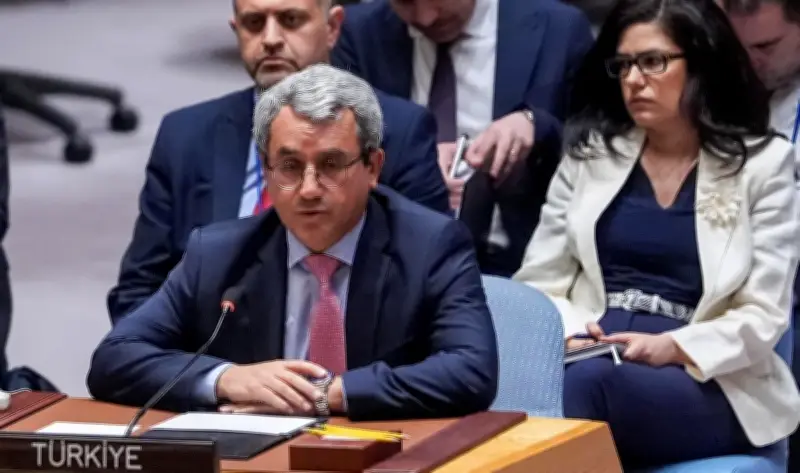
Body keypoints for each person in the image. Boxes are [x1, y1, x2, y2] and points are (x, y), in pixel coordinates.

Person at [87, 64, 499, 420]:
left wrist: (326, 395)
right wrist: (227, 378)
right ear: (266, 170)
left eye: (331, 164)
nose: (308, 189)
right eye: (289, 166)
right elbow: (116, 357)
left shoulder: (430, 246)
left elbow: (471, 370)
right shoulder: (218, 255)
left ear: (373, 167)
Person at [513, 0, 800, 468]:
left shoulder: (764, 165)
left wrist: (674, 346)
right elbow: (539, 282)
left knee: (586, 387)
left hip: (707, 377)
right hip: (592, 352)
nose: (633, 79)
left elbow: (763, 313)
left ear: (701, 64)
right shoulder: (591, 157)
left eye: (653, 61)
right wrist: (570, 334)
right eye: (624, 65)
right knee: (525, 380)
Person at [106, 0, 450, 324]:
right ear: (236, 30)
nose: (270, 39)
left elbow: (437, 286)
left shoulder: (399, 131)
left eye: (290, 20)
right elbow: (137, 293)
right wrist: (201, 368)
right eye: (254, 23)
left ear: (333, 27)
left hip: (354, 353)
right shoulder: (186, 136)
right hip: (217, 357)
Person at [330, 0, 594, 276]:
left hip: (524, 260)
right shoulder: (357, 33)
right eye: (405, 2)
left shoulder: (559, 29)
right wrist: (413, 167)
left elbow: (600, 148)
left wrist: (536, 125)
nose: (426, 18)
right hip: (401, 263)